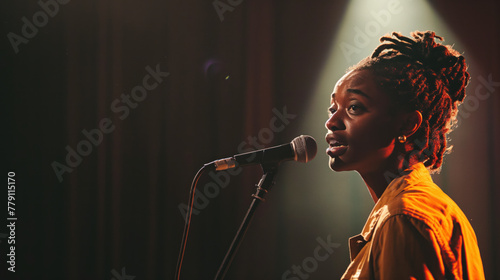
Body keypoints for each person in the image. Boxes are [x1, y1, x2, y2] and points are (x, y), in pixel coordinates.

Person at [325, 31, 485, 279]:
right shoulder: (408, 208)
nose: (332, 122)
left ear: (407, 123)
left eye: (355, 107)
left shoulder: (403, 216)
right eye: (333, 108)